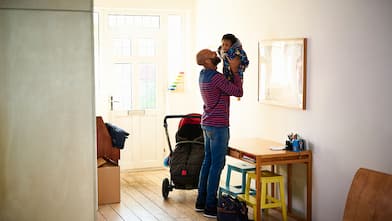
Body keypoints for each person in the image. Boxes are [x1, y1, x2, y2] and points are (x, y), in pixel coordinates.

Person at [194, 48, 243, 218]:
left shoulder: (203, 74)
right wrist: (235, 71)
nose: (216, 54)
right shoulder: (215, 77)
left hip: (207, 124)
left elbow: (223, 85)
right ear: (207, 61)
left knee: (208, 163)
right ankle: (210, 206)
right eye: (212, 55)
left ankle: (201, 202)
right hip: (218, 126)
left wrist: (228, 68)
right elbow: (238, 92)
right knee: (216, 165)